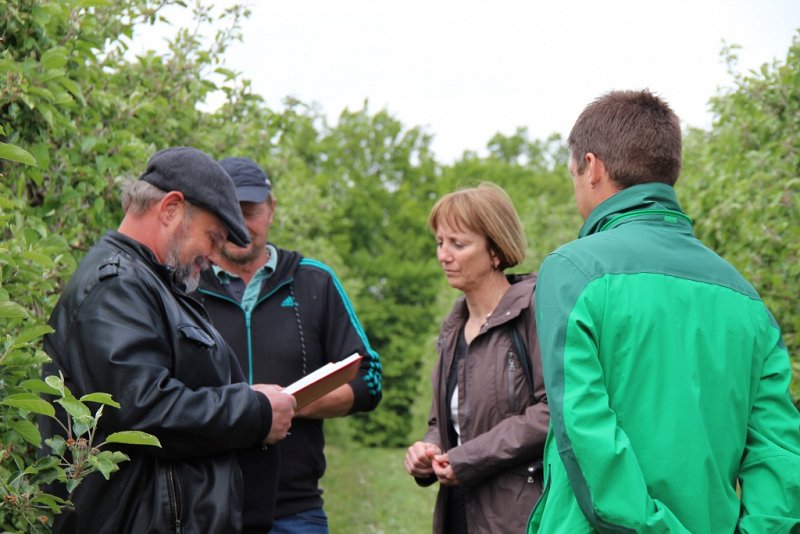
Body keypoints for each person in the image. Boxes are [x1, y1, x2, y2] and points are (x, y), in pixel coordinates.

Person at [528, 90, 800, 533]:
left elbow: (586, 432)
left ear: (592, 167)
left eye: (573, 172)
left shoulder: (572, 271)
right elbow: (780, 456)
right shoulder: (747, 300)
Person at [41, 147, 296, 533]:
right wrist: (254, 411)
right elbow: (144, 409)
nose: (214, 255)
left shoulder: (153, 284)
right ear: (171, 208)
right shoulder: (116, 287)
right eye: (213, 237)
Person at [195, 157, 383, 534]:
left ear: (272, 209)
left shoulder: (314, 281)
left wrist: (286, 404)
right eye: (229, 213)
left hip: (295, 509)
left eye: (250, 212)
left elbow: (369, 379)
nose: (240, 226)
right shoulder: (184, 286)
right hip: (203, 505)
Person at [403, 182, 549, 534]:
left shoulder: (533, 311)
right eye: (440, 242)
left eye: (458, 243)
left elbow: (551, 414)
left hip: (518, 516)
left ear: (495, 250)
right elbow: (443, 421)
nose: (444, 255)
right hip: (458, 512)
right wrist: (428, 450)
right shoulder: (453, 328)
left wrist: (467, 458)